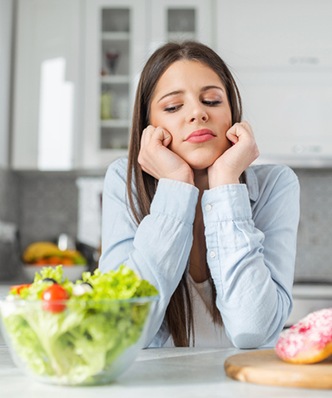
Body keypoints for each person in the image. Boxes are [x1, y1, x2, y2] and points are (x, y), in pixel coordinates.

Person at [99, 41, 300, 349]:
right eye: (173, 107)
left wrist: (225, 184)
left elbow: (254, 329)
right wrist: (177, 186)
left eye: (212, 100)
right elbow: (119, 330)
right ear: (149, 127)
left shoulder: (278, 184)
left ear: (232, 114)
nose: (197, 113)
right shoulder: (122, 181)